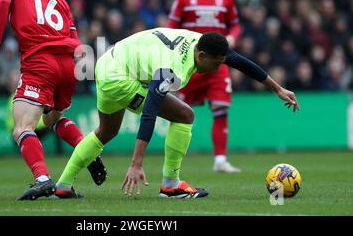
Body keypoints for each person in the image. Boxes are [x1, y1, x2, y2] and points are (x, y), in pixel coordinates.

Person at [52, 28, 300, 199]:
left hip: (107, 64)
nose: (217, 69)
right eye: (215, 64)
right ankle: (170, 186)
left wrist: (277, 88)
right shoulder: (173, 68)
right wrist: (136, 164)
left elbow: (238, 60)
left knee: (106, 131)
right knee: (185, 115)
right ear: (202, 56)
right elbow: (149, 112)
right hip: (120, 77)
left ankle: (62, 186)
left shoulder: (199, 41)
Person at [0, 0, 106, 201]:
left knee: (21, 127)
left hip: (39, 61)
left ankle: (42, 179)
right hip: (67, 64)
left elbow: (2, 4)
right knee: (53, 121)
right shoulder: (61, 1)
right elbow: (75, 41)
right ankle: (90, 154)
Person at [167, 0, 242, 173]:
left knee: (221, 110)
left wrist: (233, 37)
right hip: (192, 63)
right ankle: (174, 163)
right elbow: (171, 26)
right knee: (178, 112)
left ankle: (220, 160)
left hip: (219, 63)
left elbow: (235, 26)